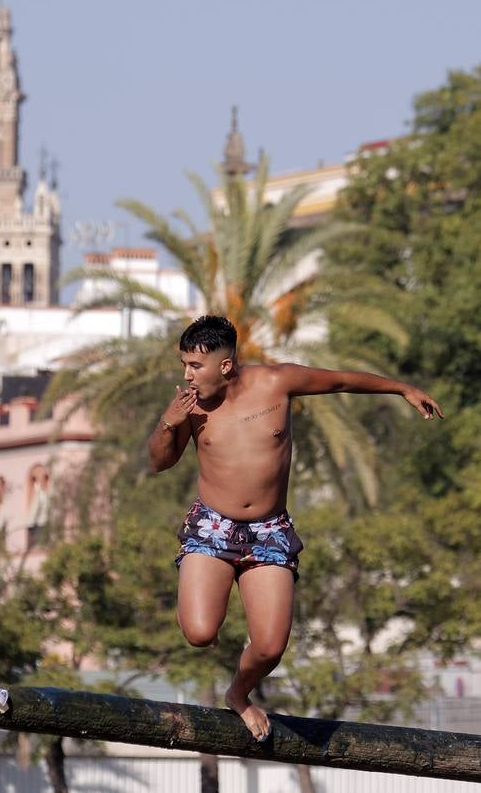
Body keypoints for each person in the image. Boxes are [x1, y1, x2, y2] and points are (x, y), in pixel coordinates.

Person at [147, 315, 443, 742]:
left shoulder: (276, 383)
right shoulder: (190, 408)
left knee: (269, 646)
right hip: (213, 526)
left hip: (269, 530)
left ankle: (239, 694)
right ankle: (202, 597)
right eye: (184, 364)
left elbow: (340, 381)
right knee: (199, 633)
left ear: (225, 366)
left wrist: (402, 388)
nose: (187, 375)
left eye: (195, 365)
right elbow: (159, 462)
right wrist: (168, 422)